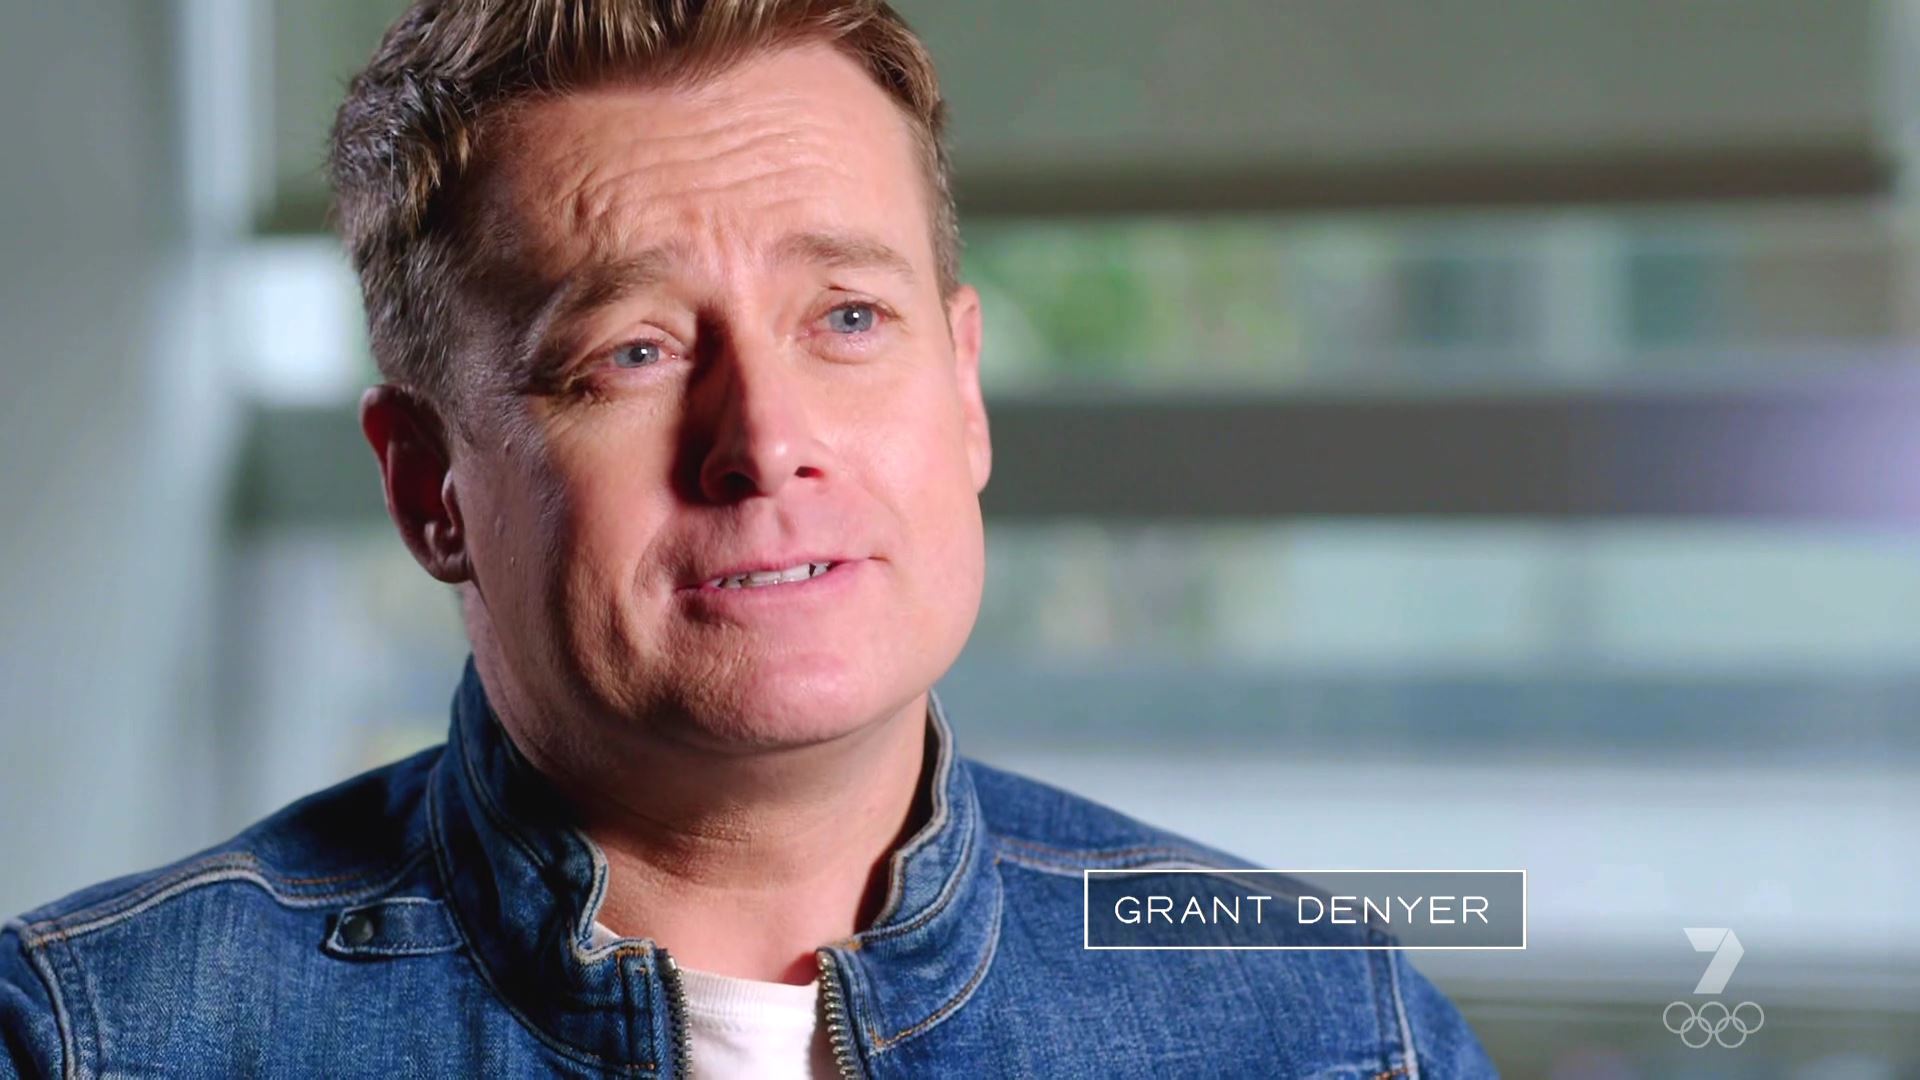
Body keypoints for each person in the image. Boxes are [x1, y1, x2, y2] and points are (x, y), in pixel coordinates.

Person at [0, 1, 1494, 1075]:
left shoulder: (1325, 1026)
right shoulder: (91, 1042)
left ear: (965, 390)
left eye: (847, 317)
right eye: (633, 352)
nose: (765, 441)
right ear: (428, 485)